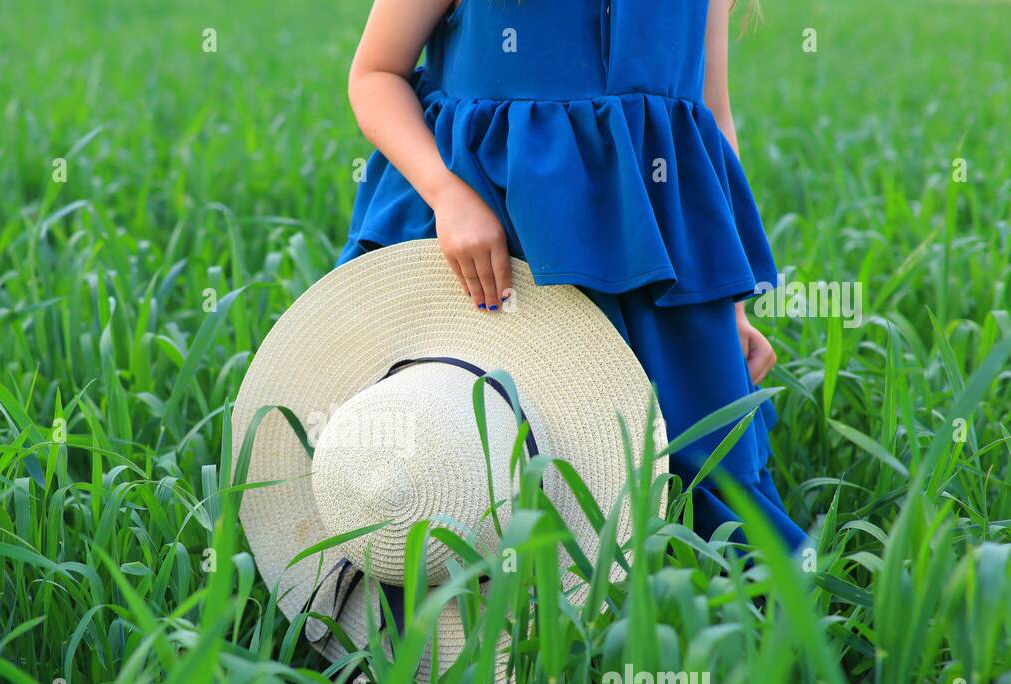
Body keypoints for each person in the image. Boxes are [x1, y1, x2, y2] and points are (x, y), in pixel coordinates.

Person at [336, 0, 806, 548]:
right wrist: (447, 196)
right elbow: (375, 74)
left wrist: (730, 304)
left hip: (658, 256)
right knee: (463, 462)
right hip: (488, 240)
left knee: (709, 498)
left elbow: (709, 117)